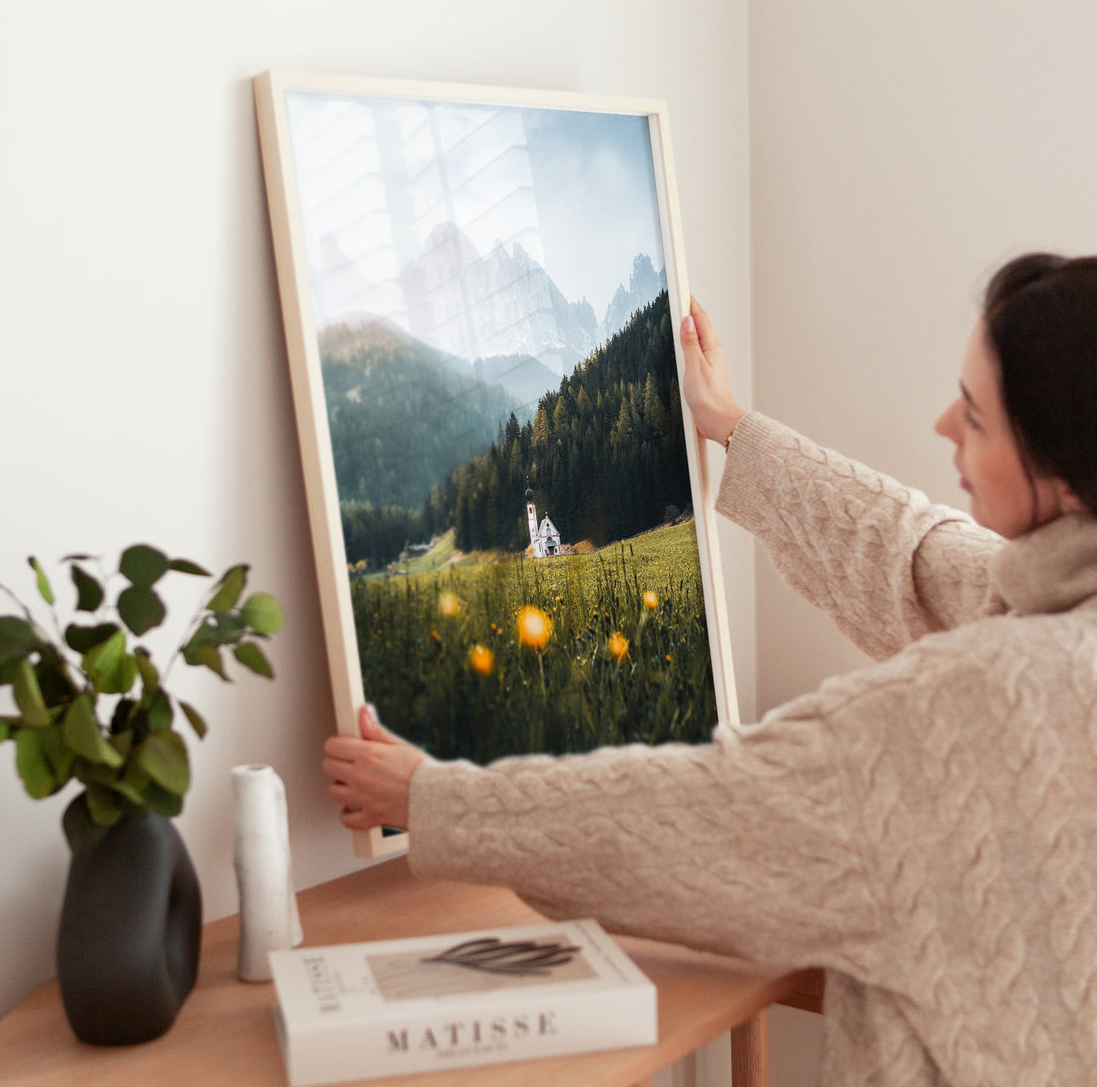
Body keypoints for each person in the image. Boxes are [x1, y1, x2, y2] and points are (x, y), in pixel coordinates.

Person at [322, 253, 1097, 1086]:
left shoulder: (975, 705)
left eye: (976, 419)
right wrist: (732, 427)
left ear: (1062, 476)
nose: (945, 424)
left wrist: (431, 799)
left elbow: (699, 814)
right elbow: (914, 556)